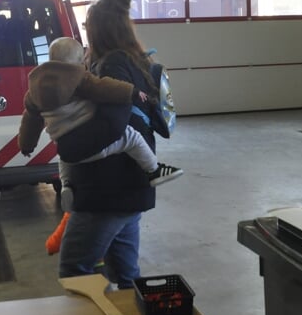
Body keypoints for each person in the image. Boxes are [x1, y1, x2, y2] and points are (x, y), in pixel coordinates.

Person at [18, 37, 183, 255]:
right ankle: (154, 170)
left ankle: (67, 185)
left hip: (66, 145)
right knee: (130, 137)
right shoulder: (78, 77)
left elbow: (30, 120)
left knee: (64, 155)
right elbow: (104, 88)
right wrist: (131, 92)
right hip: (93, 143)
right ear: (79, 63)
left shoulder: (35, 88)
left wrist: (27, 144)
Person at [57, 0, 167, 288]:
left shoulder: (112, 64)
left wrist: (68, 145)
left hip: (107, 191)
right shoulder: (135, 59)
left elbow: (114, 126)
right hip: (127, 188)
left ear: (99, 29)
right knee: (125, 275)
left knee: (74, 270)